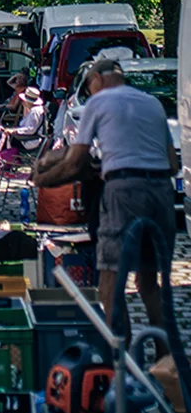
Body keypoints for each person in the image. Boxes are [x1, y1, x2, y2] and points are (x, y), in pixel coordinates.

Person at [33, 57, 179, 333]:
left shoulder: (97, 103)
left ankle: (119, 357)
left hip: (124, 192)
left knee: (110, 279)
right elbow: (172, 164)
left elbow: (76, 161)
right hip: (161, 192)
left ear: (96, 80)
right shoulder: (152, 103)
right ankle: (165, 358)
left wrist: (41, 179)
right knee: (149, 281)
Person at [0, 85, 45, 153]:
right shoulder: (33, 110)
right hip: (25, 137)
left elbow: (30, 129)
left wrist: (13, 131)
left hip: (28, 141)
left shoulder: (35, 111)